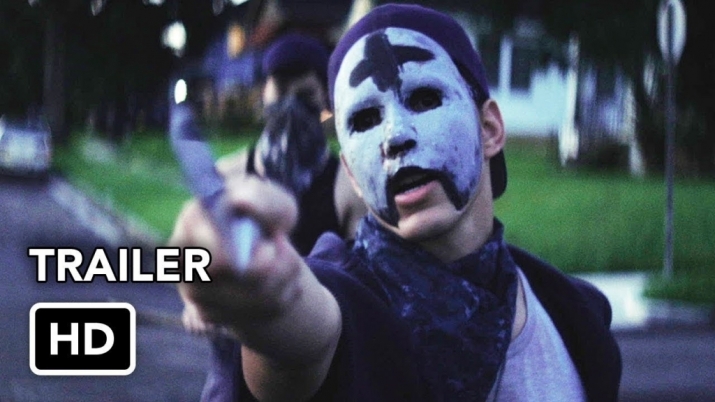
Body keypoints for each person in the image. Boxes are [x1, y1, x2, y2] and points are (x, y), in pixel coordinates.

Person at [171, 4, 622, 401]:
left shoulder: (577, 317)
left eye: (424, 97)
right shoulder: (345, 299)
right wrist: (268, 301)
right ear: (352, 174)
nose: (395, 137)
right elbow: (305, 336)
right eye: (365, 119)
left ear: (489, 129)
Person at [216, 33, 367, 255]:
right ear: (263, 94)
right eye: (281, 92)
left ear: (326, 98)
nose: (291, 105)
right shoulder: (227, 177)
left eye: (304, 95)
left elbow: (359, 273)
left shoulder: (350, 189)